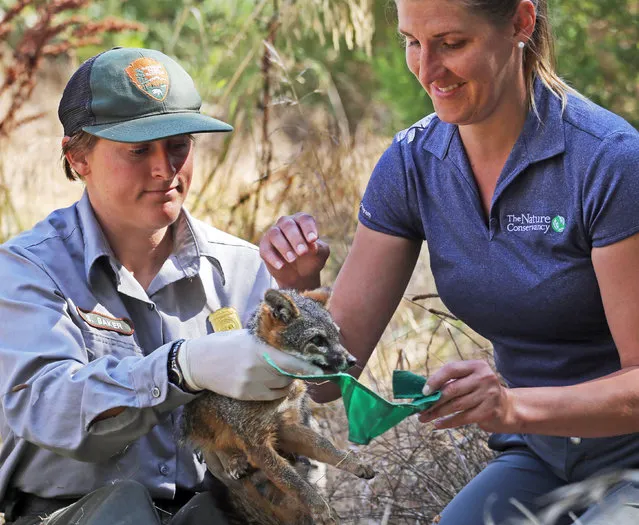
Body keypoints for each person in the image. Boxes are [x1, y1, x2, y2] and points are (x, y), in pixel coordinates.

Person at [258, 0, 639, 523]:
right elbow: (327, 383)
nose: (427, 69)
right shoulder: (413, 162)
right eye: (412, 42)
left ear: (521, 23)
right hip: (540, 454)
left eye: (452, 44)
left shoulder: (608, 160)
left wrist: (509, 408)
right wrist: (299, 296)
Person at [0, 47, 324, 525]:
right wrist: (179, 369)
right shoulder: (27, 271)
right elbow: (50, 408)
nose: (164, 169)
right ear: (78, 157)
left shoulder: (241, 269)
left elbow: (292, 427)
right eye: (137, 150)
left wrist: (303, 310)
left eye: (179, 145)